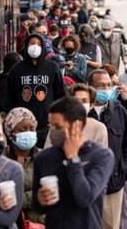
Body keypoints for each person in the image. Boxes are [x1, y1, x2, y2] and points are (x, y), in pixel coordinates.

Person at [32, 96, 115, 228]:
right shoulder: (43, 158)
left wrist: (72, 159)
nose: (52, 131)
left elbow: (85, 198)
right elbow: (37, 207)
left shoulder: (101, 156)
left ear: (78, 125)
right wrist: (40, 200)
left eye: (58, 126)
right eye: (51, 126)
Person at [87, 69, 127, 229]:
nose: (106, 89)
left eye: (109, 85)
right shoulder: (83, 113)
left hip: (113, 185)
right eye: (101, 85)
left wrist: (125, 172)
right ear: (90, 87)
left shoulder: (119, 111)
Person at [4, 33, 65, 148]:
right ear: (26, 46)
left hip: (47, 126)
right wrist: (13, 122)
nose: (35, 46)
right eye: (32, 43)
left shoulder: (52, 67)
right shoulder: (16, 69)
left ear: (43, 47)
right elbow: (9, 98)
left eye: (39, 44)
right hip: (22, 127)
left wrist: (57, 119)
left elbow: (60, 95)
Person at [3, 108, 44, 226]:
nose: (28, 132)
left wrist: (15, 200)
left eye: (32, 129)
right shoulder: (1, 159)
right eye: (23, 129)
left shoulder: (44, 157)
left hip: (37, 223)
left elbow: (44, 191)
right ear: (11, 133)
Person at [45, 84, 108, 148]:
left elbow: (102, 155)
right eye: (76, 101)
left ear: (91, 105)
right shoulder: (58, 125)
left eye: (84, 101)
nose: (80, 104)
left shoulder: (99, 128)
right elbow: (47, 153)